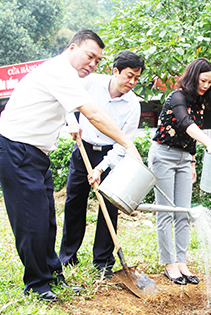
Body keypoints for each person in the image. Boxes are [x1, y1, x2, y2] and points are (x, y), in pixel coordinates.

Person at [0, 30, 142, 303]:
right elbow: (93, 113)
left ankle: (52, 274)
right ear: (72, 48)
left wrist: (68, 122)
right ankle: (36, 285)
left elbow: (50, 107)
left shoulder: (69, 77)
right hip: (15, 149)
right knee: (32, 221)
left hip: (36, 154)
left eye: (98, 60)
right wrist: (128, 144)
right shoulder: (59, 72)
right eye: (90, 56)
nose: (93, 64)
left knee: (47, 219)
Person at [59, 51, 145, 280]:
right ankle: (67, 257)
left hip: (110, 155)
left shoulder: (133, 105)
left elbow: (123, 143)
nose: (132, 82)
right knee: (74, 202)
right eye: (129, 76)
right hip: (83, 148)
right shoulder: (90, 83)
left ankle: (103, 262)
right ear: (115, 71)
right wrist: (72, 123)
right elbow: (66, 98)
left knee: (109, 206)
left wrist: (101, 168)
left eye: (137, 78)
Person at [148, 58, 211, 285]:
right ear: (193, 77)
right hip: (163, 155)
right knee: (166, 211)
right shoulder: (176, 97)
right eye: (203, 80)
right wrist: (209, 143)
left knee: (183, 212)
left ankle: (181, 262)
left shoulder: (199, 103)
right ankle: (169, 264)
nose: (206, 86)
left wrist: (192, 163)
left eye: (210, 82)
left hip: (183, 158)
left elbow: (190, 137)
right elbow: (185, 124)